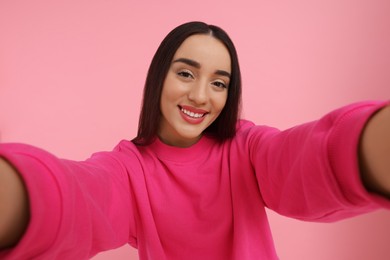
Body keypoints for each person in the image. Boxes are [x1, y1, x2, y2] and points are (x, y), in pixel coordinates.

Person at [0, 21, 389, 260]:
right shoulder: (127, 168)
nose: (201, 96)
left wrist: (374, 137)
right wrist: (17, 192)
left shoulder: (246, 146)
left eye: (219, 82)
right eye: (186, 74)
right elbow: (81, 197)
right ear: (159, 78)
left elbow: (306, 158)